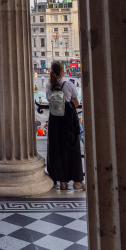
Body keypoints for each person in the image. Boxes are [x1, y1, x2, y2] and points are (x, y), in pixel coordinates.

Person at [46, 60, 84, 191]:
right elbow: (77, 103)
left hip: (55, 120)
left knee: (57, 149)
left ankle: (62, 181)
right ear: (62, 72)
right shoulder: (69, 84)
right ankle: (77, 181)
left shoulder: (48, 85)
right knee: (72, 148)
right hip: (68, 119)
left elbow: (49, 100)